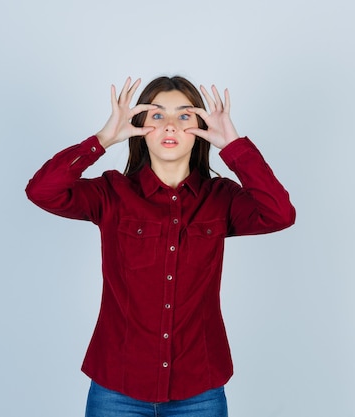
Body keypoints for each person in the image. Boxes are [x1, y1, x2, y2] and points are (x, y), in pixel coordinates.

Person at [25, 76, 296, 417]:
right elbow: (41, 191)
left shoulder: (221, 198)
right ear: (138, 127)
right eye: (157, 115)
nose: (170, 125)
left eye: (184, 116)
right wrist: (102, 139)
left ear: (201, 127)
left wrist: (234, 146)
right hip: (117, 389)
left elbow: (280, 213)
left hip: (199, 391)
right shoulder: (111, 193)